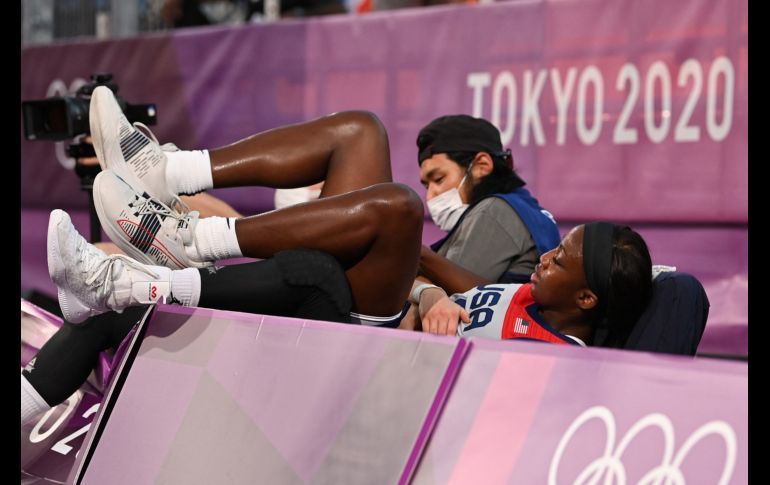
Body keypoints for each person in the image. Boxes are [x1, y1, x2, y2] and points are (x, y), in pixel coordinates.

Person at [415, 114, 560, 290]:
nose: (430, 196)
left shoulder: (495, 211)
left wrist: (417, 256)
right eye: (426, 186)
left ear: (481, 166)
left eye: (439, 179)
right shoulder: (523, 208)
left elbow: (450, 296)